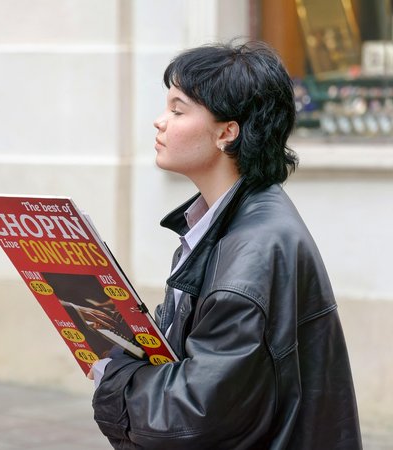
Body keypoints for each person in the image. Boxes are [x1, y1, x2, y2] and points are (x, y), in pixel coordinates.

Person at [89, 41, 362, 449]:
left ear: (227, 133)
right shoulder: (225, 219)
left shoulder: (251, 250)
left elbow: (197, 410)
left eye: (178, 110)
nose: (159, 122)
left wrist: (113, 379)